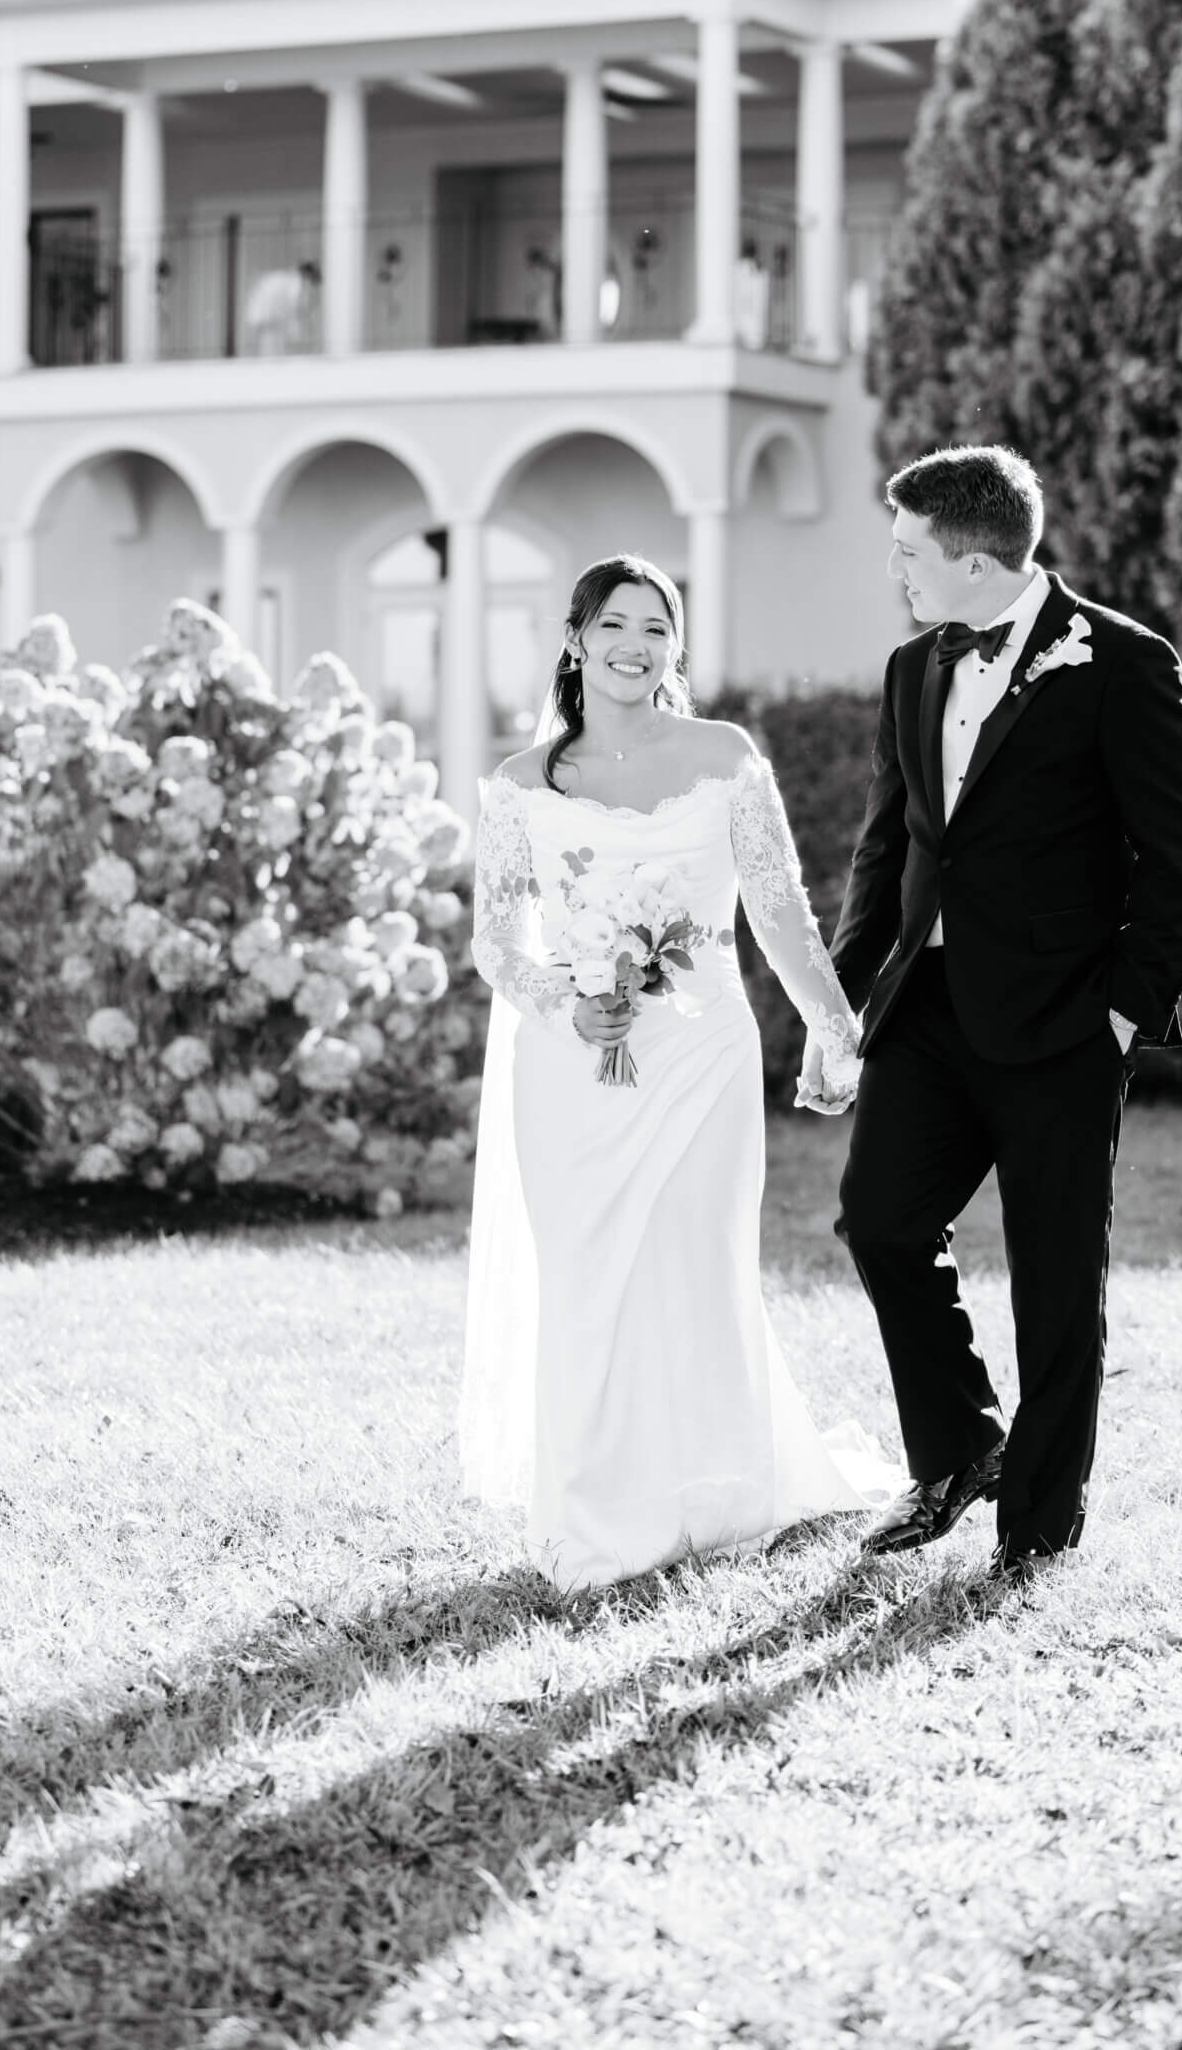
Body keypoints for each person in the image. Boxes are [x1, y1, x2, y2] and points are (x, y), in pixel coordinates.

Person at [462, 552, 899, 1591]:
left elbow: (779, 907)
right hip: (570, 1068)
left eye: (656, 627)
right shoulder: (521, 785)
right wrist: (563, 999)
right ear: (575, 640)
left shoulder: (724, 756)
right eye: (613, 624)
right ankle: (592, 1512)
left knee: (698, 1264)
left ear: (678, 646)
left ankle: (714, 1488)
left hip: (702, 1053)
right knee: (589, 1279)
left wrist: (834, 1030)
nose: (633, 645)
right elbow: (496, 940)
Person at [820, 446, 1182, 1581]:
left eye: (907, 554)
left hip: (1063, 1025)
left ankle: (1035, 1527)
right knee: (880, 1221)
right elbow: (886, 846)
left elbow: (1176, 850)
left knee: (1053, 1282)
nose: (896, 574)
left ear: (979, 560)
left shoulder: (1121, 662)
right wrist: (845, 1001)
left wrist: (1126, 1014)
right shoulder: (912, 670)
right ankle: (957, 1449)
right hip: (928, 1013)